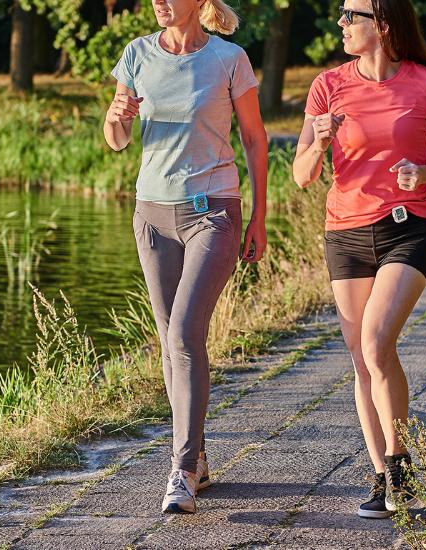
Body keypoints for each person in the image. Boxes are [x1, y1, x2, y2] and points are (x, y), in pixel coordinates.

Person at [291, 0, 426, 520]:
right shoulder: (327, 86)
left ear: (383, 25)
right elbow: (302, 175)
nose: (341, 24)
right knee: (362, 359)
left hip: (407, 228)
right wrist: (318, 142)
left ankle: (399, 463)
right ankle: (383, 476)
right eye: (342, 15)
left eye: (352, 15)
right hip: (345, 233)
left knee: (375, 342)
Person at [103, 0, 268, 515]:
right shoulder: (135, 55)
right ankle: (195, 457)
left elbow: (254, 138)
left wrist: (259, 215)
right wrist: (116, 118)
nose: (159, 2)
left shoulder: (228, 59)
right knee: (168, 341)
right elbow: (117, 141)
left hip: (212, 212)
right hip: (151, 215)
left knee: (183, 333)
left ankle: (179, 469)